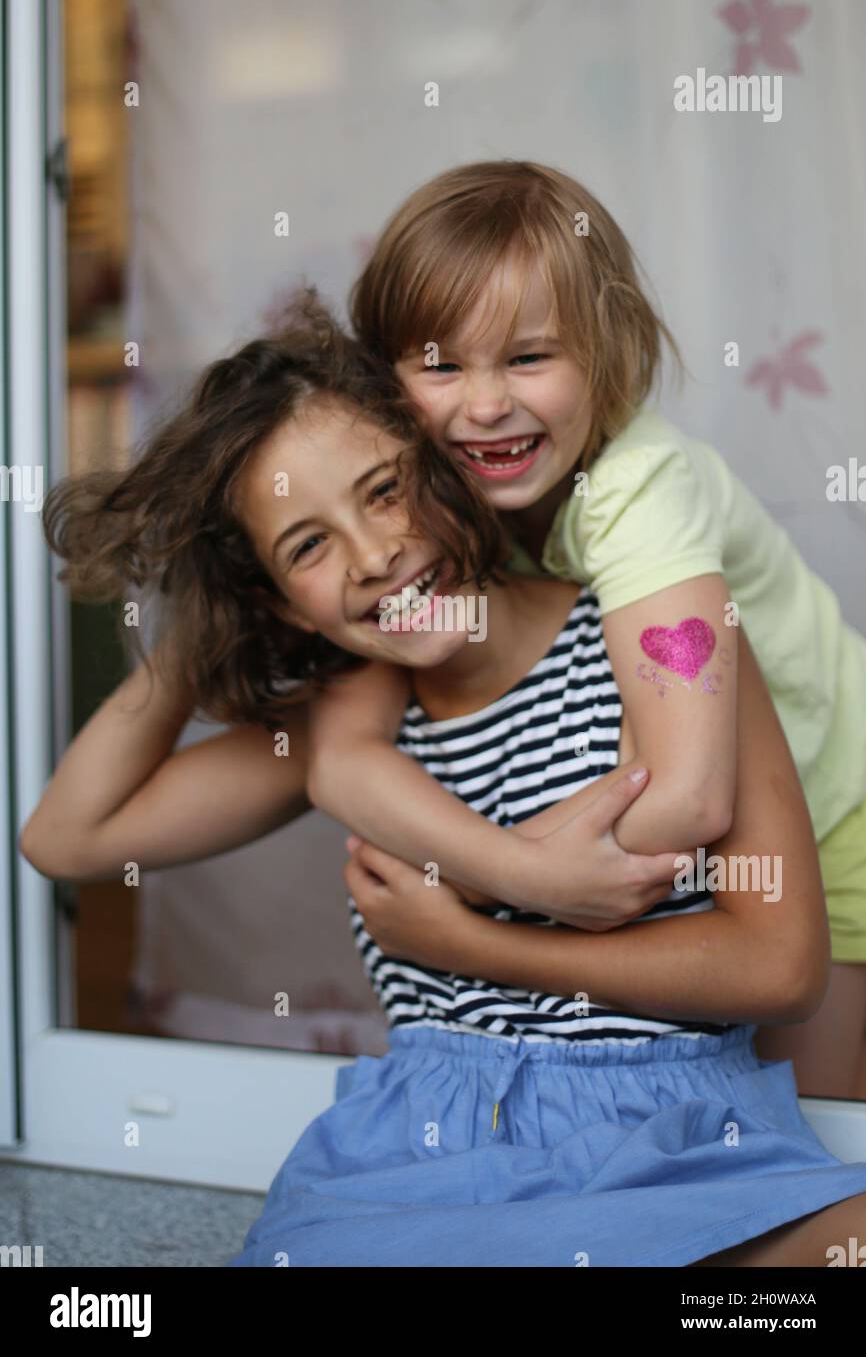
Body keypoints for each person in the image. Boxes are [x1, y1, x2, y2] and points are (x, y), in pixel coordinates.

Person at [21, 293, 866, 1266]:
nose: (374, 554)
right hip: (413, 1171)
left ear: (441, 465)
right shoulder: (341, 734)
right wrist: (207, 612)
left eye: (383, 490)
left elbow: (780, 966)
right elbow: (67, 836)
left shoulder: (656, 647)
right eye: (307, 546)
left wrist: (470, 941)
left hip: (662, 1160)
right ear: (277, 598)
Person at [304, 158, 866, 1099]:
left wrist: (486, 888)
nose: (485, 405)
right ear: (387, 382)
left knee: (814, 1126)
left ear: (605, 355)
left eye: (528, 357)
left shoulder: (637, 489)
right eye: (441, 364)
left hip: (839, 809)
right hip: (715, 860)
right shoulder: (445, 507)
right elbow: (336, 760)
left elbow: (688, 800)